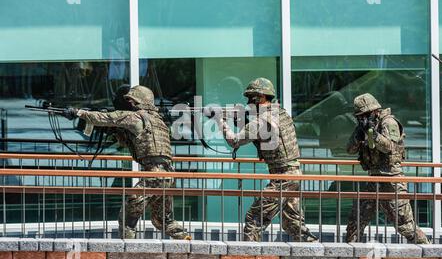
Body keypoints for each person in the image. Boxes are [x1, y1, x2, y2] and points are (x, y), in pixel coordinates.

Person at [63, 85, 191, 240]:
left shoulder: (135, 117)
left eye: (131, 101)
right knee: (163, 220)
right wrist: (118, 133)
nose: (129, 104)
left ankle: (126, 251)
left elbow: (107, 118)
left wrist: (78, 112)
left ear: (138, 102)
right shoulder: (159, 122)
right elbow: (137, 142)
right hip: (168, 176)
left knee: (127, 218)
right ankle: (186, 240)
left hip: (154, 176)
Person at [208, 77, 317, 242]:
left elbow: (235, 140)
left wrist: (220, 121)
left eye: (251, 98)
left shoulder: (261, 121)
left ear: (260, 98)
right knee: (293, 224)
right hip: (293, 175)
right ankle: (314, 254)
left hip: (282, 178)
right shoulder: (281, 113)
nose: (248, 102)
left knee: (254, 219)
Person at [345, 93, 429, 244]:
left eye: (365, 115)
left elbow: (389, 147)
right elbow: (349, 150)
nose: (362, 118)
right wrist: (359, 134)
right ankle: (349, 256)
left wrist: (374, 134)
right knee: (356, 221)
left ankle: (429, 252)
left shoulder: (388, 122)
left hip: (391, 181)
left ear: (375, 111)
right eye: (359, 116)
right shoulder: (363, 127)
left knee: (405, 225)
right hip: (374, 180)